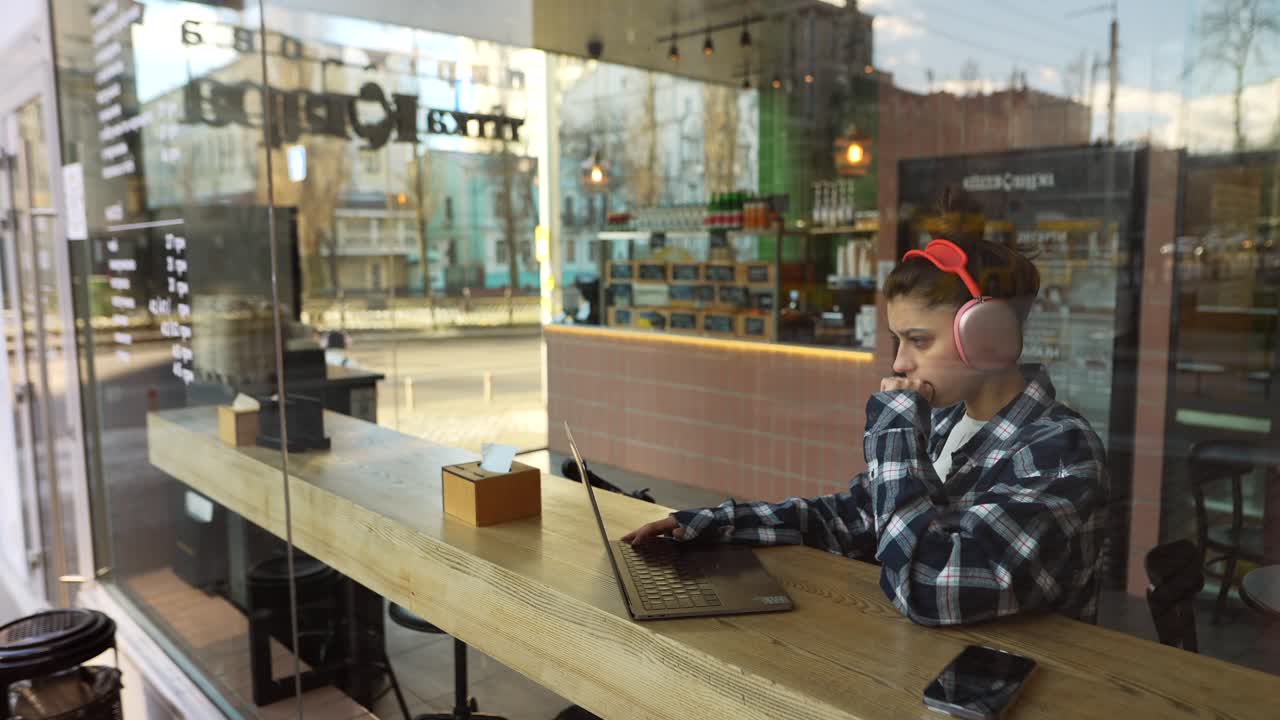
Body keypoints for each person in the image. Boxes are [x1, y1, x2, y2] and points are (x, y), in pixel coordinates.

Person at [623, 212, 1109, 627]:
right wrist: (714, 523)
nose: (899, 364)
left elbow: (931, 587)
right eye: (899, 341)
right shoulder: (947, 425)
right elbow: (856, 517)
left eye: (919, 340)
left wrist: (895, 433)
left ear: (989, 340)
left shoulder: (1059, 451)